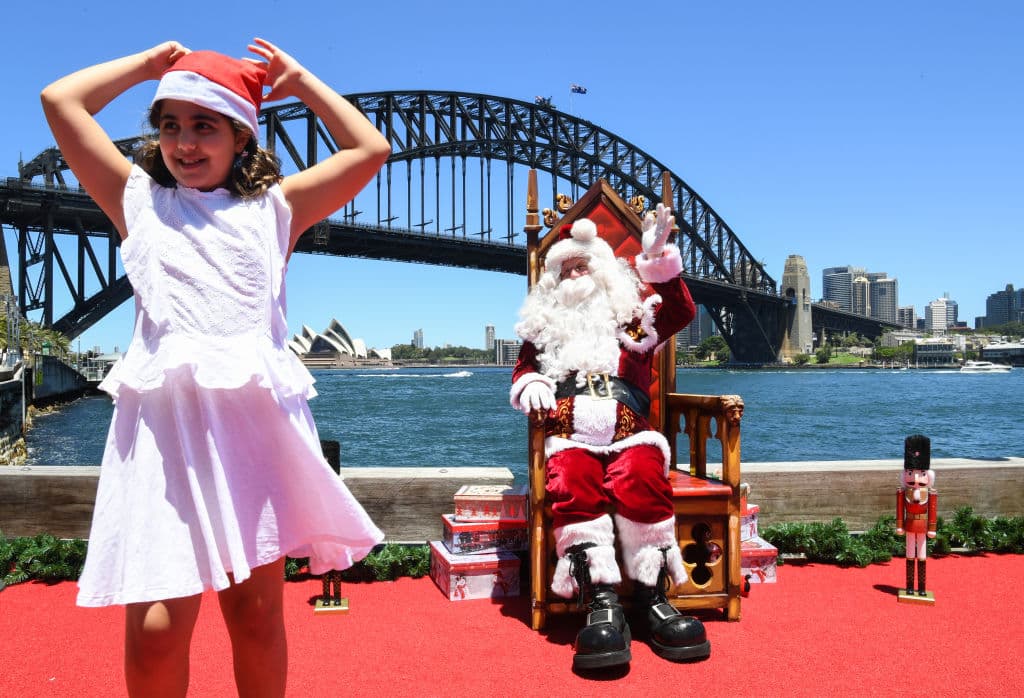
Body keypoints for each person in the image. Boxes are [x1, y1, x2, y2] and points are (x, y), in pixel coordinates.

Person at [41, 39, 391, 697]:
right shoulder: (137, 197)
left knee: (256, 619)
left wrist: (301, 79)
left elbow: (369, 149)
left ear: (241, 136)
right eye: (170, 124)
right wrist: (147, 68)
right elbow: (60, 101)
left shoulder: (275, 209)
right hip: (164, 434)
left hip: (250, 430)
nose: (185, 141)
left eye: (205, 125)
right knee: (155, 631)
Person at [510, 204, 710, 671]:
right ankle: (600, 598)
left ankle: (650, 595)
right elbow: (521, 371)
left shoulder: (634, 322)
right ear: (554, 282)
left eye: (585, 265)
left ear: (604, 272)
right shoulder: (543, 332)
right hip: (570, 439)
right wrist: (533, 383)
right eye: (568, 268)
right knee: (573, 477)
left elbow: (682, 310)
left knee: (642, 473)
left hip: (631, 435)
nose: (577, 274)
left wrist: (657, 258)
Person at [896, 434, 937, 598]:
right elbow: (900, 510)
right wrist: (899, 525)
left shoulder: (930, 494)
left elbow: (932, 512)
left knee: (922, 554)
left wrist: (932, 528)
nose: (916, 478)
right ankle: (909, 586)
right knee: (909, 554)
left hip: (923, 525)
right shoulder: (902, 492)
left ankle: (921, 587)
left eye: (921, 473)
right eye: (911, 473)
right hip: (909, 524)